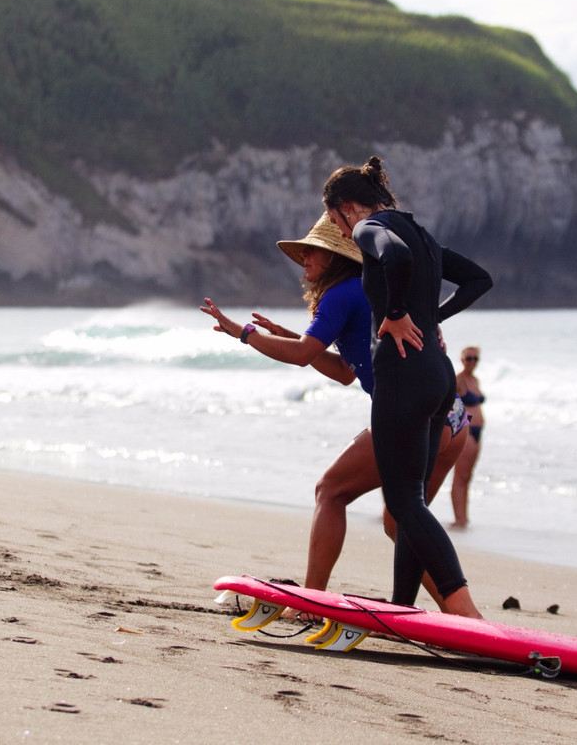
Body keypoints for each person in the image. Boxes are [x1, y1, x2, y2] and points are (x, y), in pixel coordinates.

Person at [200, 215, 469, 607]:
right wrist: (294, 337)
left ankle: (309, 602)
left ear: (335, 256)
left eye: (313, 251)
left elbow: (302, 356)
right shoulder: (368, 291)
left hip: (411, 415)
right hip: (451, 417)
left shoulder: (340, 294)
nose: (303, 258)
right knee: (403, 521)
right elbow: (346, 371)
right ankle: (456, 614)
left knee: (331, 491)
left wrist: (243, 333)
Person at [323, 156, 492, 617]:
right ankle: (402, 606)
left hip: (403, 376)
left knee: (402, 503)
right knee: (409, 502)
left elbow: (391, 255)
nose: (337, 230)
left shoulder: (369, 227)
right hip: (438, 375)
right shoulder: (425, 236)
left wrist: (396, 313)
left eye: (334, 219)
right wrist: (432, 316)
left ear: (346, 207)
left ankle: (464, 611)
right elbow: (479, 279)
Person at [451, 346, 484, 528]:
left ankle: (465, 517)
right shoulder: (458, 380)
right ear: (462, 360)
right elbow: (446, 402)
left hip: (478, 432)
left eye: (475, 359)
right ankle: (459, 519)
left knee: (468, 477)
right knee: (460, 475)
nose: (472, 362)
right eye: (468, 358)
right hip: (467, 431)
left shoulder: (475, 380)